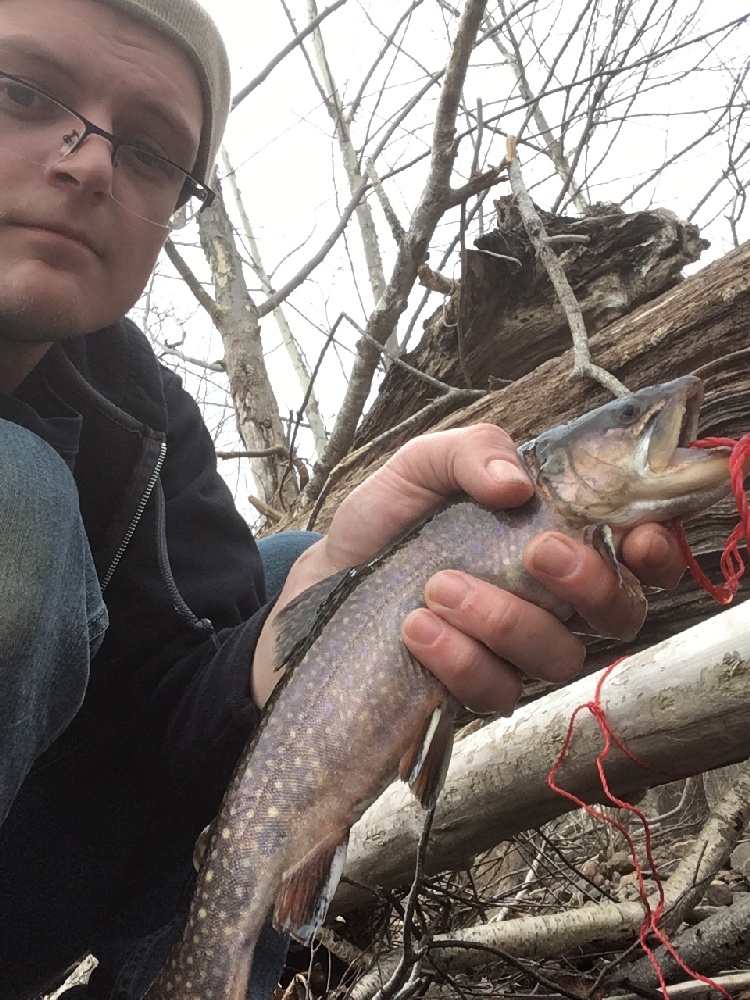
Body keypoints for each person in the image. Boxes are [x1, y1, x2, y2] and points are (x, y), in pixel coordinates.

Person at [0, 0, 687, 997]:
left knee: (305, 576)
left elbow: (167, 739)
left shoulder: (147, 423)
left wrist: (316, 616)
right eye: (22, 91)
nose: (90, 163)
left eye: (151, 153)